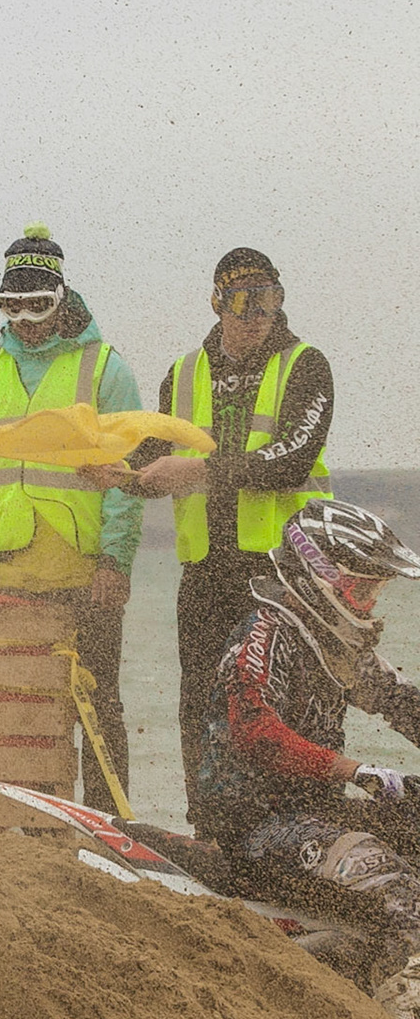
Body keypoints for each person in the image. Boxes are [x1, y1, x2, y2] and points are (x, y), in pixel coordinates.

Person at [100, 249, 333, 822]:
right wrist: (112, 472)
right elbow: (150, 459)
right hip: (205, 574)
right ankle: (209, 829)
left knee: (288, 705)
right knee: (202, 704)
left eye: (268, 299)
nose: (256, 315)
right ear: (216, 304)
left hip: (287, 577)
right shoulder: (181, 375)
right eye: (241, 301)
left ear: (280, 300)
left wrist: (199, 471)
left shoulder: (305, 365)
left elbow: (292, 460)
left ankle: (303, 827)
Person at [0, 226, 145, 812]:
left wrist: (115, 560)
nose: (25, 319)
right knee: (19, 709)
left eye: (39, 305)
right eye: (12, 306)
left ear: (62, 299)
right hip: (10, 575)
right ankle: (34, 825)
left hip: (88, 577)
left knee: (100, 707)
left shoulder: (105, 368)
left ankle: (110, 825)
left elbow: (127, 473)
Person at [193, 500, 420, 1019]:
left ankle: (374, 964)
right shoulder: (265, 632)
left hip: (313, 816)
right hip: (255, 826)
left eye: (374, 591)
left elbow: (403, 703)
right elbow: (255, 731)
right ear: (318, 575)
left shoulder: (334, 642)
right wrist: (355, 770)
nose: (367, 602)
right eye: (360, 588)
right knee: (394, 884)